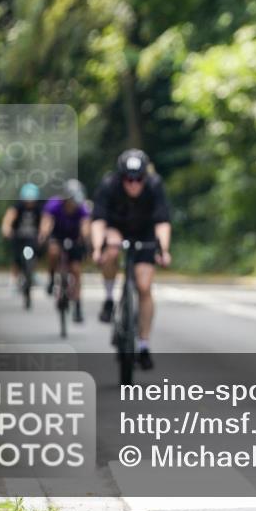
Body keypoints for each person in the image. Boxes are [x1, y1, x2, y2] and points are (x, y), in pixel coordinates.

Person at [90, 149, 172, 370]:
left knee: (144, 287)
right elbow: (98, 220)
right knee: (112, 251)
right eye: (129, 179)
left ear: (145, 177)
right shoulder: (109, 186)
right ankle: (109, 297)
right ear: (121, 177)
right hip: (117, 229)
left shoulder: (155, 186)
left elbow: (162, 221)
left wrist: (163, 249)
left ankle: (143, 345)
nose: (134, 184)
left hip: (144, 233)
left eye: (138, 179)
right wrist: (98, 248)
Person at [39, 179, 91, 323]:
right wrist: (44, 235)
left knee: (76, 270)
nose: (74, 205)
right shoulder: (54, 204)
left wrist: (86, 239)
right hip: (57, 236)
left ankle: (78, 304)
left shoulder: (82, 208)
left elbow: (85, 226)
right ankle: (51, 278)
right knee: (53, 252)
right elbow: (46, 222)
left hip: (74, 239)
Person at [1, 183, 43, 296]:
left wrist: (43, 233)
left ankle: (32, 273)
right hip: (19, 237)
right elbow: (8, 219)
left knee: (36, 253)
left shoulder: (39, 208)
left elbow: (45, 221)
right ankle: (13, 281)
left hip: (32, 237)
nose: (30, 203)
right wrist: (6, 229)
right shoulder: (17, 207)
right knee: (16, 258)